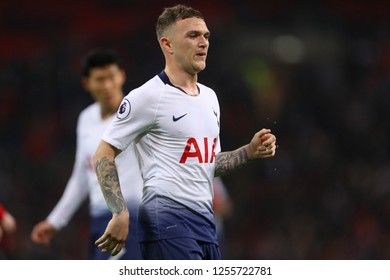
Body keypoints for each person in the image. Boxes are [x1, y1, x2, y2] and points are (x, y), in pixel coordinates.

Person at [93, 4, 277, 260]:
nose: (203, 42)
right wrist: (119, 211)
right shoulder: (147, 97)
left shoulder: (210, 98)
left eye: (206, 36)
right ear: (167, 45)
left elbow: (207, 165)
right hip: (166, 223)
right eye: (193, 36)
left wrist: (249, 151)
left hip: (204, 224)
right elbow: (103, 153)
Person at [30, 49, 143, 260]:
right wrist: (55, 221)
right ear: (87, 83)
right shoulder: (86, 119)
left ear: (122, 76)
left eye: (111, 77)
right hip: (99, 220)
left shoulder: (137, 115)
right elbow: (82, 175)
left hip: (132, 219)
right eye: (100, 79)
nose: (107, 85)